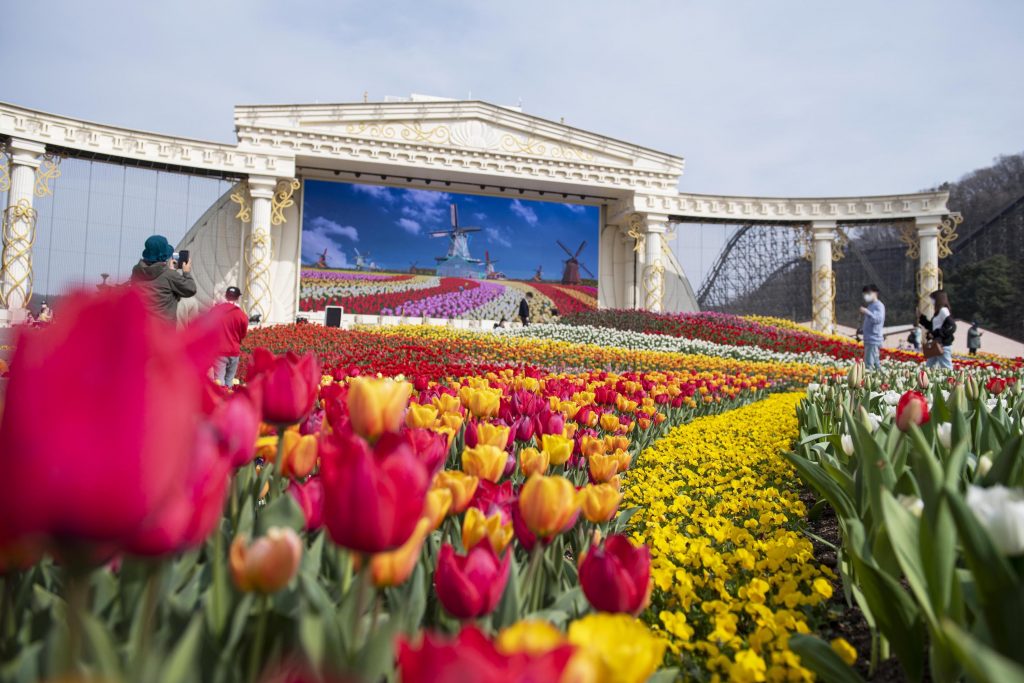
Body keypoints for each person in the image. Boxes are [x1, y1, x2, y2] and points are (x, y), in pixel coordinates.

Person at [130, 235, 197, 321]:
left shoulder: (136, 271)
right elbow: (191, 289)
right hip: (163, 329)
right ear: (164, 255)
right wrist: (186, 272)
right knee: (191, 302)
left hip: (141, 326)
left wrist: (171, 271)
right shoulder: (169, 274)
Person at [210, 286, 249, 386]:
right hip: (234, 350)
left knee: (219, 381)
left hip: (219, 350)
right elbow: (243, 334)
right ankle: (228, 399)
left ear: (226, 296)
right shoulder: (241, 315)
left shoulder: (216, 311)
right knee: (229, 380)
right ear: (237, 298)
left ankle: (220, 400)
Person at [919, 290, 956, 370]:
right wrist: (922, 318)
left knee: (946, 367)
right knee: (929, 367)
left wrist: (936, 333)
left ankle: (952, 381)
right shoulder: (938, 312)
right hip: (935, 344)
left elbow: (951, 326)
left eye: (932, 299)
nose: (931, 301)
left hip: (942, 345)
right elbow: (932, 326)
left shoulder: (943, 310)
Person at [858, 284, 885, 370]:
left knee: (870, 364)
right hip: (868, 338)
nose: (866, 296)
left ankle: (871, 381)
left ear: (875, 293)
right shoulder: (870, 306)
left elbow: (878, 320)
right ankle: (878, 380)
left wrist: (866, 312)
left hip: (874, 339)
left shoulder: (879, 305)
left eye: (868, 293)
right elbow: (870, 322)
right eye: (864, 294)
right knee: (875, 363)